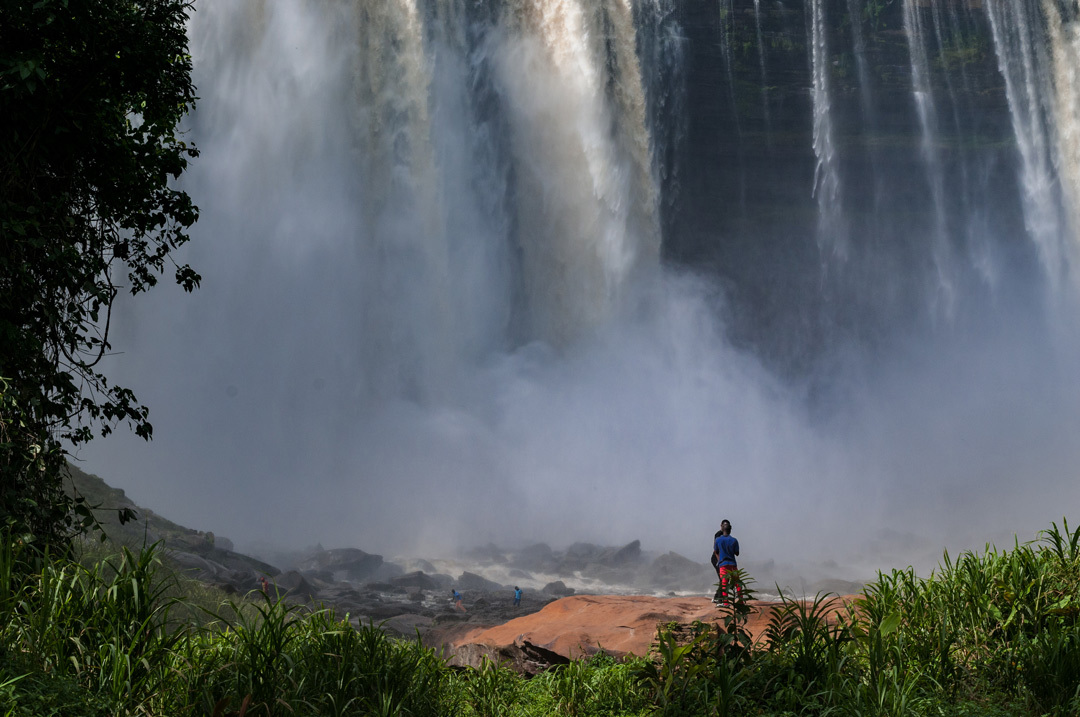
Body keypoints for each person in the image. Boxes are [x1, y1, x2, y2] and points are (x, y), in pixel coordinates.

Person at [712, 519, 740, 606]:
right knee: (736, 582)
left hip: (723, 563)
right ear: (730, 530)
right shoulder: (733, 540)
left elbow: (716, 550)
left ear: (722, 528)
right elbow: (737, 553)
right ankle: (740, 600)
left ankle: (724, 601)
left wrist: (720, 560)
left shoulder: (718, 539)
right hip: (730, 563)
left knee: (724, 582)